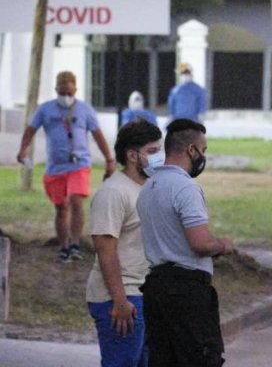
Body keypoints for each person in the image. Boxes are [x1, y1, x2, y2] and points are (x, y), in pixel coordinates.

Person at [136, 118, 234, 366]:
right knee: (199, 358)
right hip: (187, 291)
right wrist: (221, 245)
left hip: (156, 288)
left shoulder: (149, 187)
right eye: (204, 150)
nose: (203, 156)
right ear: (192, 149)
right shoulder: (185, 188)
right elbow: (199, 243)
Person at [85, 119, 163, 367]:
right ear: (131, 155)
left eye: (159, 150)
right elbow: (105, 249)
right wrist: (119, 301)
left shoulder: (149, 188)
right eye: (152, 152)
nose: (158, 157)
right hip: (122, 298)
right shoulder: (113, 193)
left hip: (144, 293)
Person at [16, 71, 116, 263]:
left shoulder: (85, 110)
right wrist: (22, 150)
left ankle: (76, 245)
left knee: (75, 200)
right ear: (56, 90)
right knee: (61, 208)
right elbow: (30, 130)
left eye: (70, 93)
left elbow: (98, 135)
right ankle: (64, 247)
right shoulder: (45, 109)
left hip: (79, 164)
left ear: (75, 90)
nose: (66, 97)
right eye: (62, 92)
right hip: (55, 168)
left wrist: (109, 160)